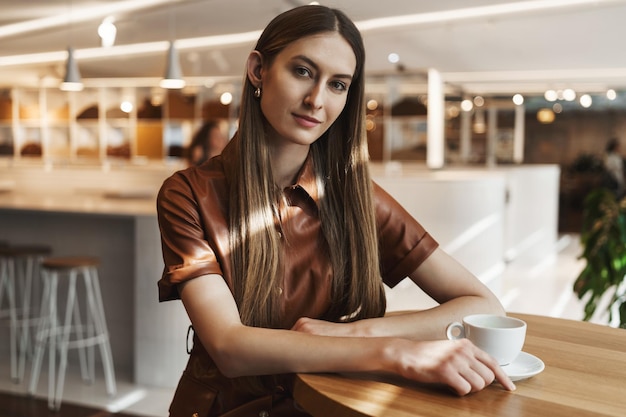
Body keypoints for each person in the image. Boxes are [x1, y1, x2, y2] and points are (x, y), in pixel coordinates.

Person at [156, 5, 514, 416]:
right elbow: (229, 346)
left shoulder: (357, 198)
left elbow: (483, 305)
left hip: (329, 407)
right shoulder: (187, 195)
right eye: (303, 71)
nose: (316, 100)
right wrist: (394, 353)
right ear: (258, 70)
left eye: (338, 85)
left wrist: (358, 333)